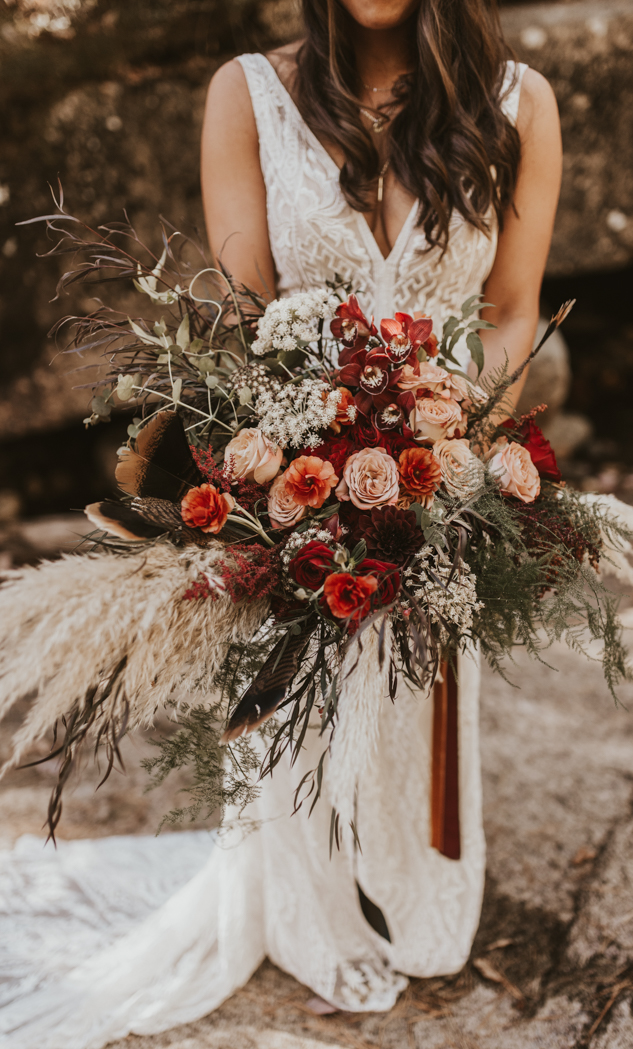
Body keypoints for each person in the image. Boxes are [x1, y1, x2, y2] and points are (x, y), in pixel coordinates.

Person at [0, 1, 561, 1045]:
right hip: (302, 457)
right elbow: (243, 317)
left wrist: (458, 438)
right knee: (306, 689)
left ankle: (417, 885)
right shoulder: (246, 93)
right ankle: (309, 910)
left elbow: (517, 304)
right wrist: (325, 449)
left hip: (445, 458)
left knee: (418, 676)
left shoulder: (516, 103)